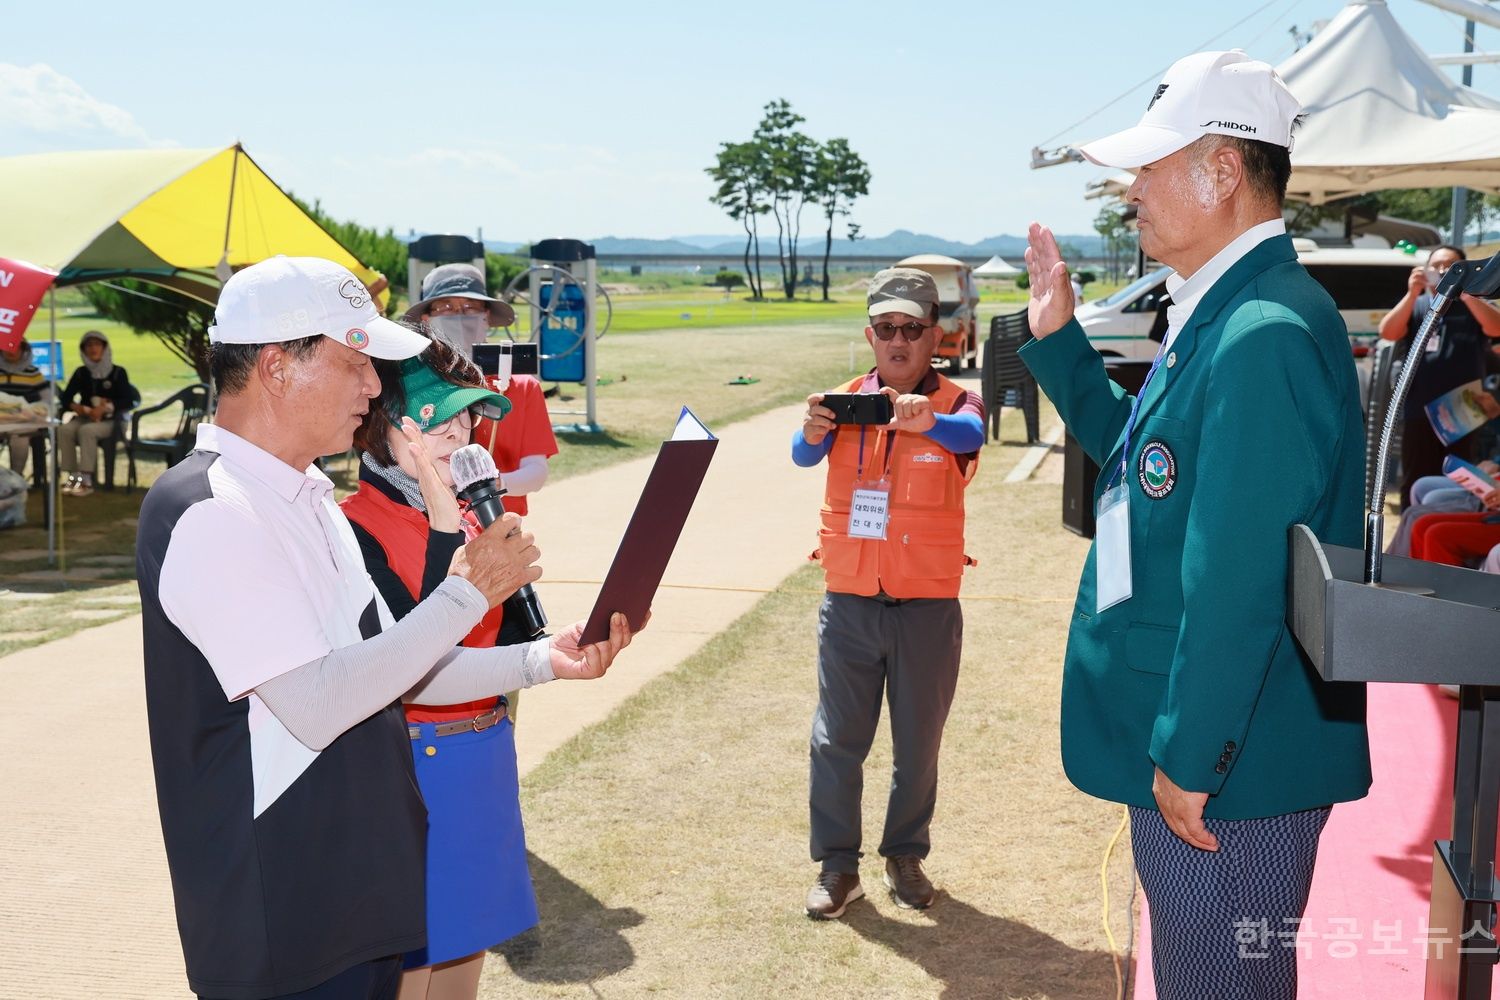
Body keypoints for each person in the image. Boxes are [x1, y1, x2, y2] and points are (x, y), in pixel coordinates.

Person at [135, 256, 640, 1000]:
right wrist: (466, 595)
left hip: (360, 890)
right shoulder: (211, 510)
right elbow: (317, 704)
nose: (373, 388)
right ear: (278, 366)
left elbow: (400, 667)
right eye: (354, 362)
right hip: (282, 914)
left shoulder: (304, 494)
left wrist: (541, 661)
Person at [1020, 51, 1370, 999]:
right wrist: (1059, 343)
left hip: (1232, 764)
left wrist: (1190, 750)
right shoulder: (1232, 314)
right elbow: (1146, 473)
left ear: (1220, 171)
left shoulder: (1260, 332)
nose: (1131, 189)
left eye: (1150, 165)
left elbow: (1239, 576)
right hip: (1224, 751)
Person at [341, 343, 556, 1000]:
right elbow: (412, 660)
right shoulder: (352, 528)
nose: (459, 439)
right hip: (412, 765)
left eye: (469, 424)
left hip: (481, 750)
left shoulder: (473, 517)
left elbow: (506, 639)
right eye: (441, 423)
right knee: (412, 963)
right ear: (388, 429)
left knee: (467, 949)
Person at [793, 267, 985, 919]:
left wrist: (926, 421)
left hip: (927, 607)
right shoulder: (843, 397)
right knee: (836, 740)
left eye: (911, 329)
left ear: (937, 336)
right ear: (870, 336)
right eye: (885, 329)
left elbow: (971, 440)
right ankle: (837, 867)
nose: (898, 340)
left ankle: (906, 853)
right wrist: (813, 430)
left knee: (918, 741)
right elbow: (801, 454)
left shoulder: (959, 405)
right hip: (850, 600)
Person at [404, 264, 557, 517]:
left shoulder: (521, 385)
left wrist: (493, 484)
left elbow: (536, 472)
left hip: (500, 521)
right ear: (426, 319)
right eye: (446, 307)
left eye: (470, 308)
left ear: (486, 316)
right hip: (425, 520)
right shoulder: (412, 381)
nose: (459, 315)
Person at [1378, 245, 1500, 509]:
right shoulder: (1420, 304)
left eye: (1451, 266)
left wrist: (1467, 292)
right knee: (1415, 478)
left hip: (1464, 412)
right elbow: (1388, 332)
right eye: (1437, 266)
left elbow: (1496, 327)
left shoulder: (1473, 304)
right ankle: (1411, 536)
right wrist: (1412, 293)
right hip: (1419, 410)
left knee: (1460, 479)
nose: (1443, 271)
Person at [58, 330, 135, 495]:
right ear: (83, 349)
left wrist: (106, 407)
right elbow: (65, 398)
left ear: (104, 348)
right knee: (65, 430)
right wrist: (77, 407)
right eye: (89, 345)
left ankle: (86, 480)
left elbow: (128, 400)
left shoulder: (118, 372)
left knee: (87, 431)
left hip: (112, 421)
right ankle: (73, 476)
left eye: (97, 344)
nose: (93, 349)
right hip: (85, 417)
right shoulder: (81, 373)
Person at [0, 338, 50, 479]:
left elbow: (47, 400)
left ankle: (16, 477)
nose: (11, 351)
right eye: (7, 347)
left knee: (20, 438)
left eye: (15, 347)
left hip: (25, 420)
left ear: (23, 350)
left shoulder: (33, 373)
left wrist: (33, 410)